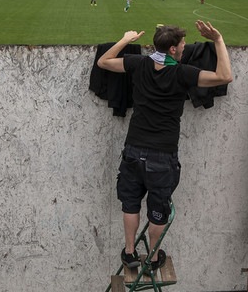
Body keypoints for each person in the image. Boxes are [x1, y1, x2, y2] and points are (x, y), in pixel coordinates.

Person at [98, 22, 233, 271]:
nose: (185, 48)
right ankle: (152, 257)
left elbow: (103, 62)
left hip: (133, 149)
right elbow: (225, 76)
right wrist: (218, 39)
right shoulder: (182, 73)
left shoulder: (139, 64)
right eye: (182, 45)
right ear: (172, 49)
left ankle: (129, 254)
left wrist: (125, 39)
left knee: (130, 202)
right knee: (158, 208)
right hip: (162, 155)